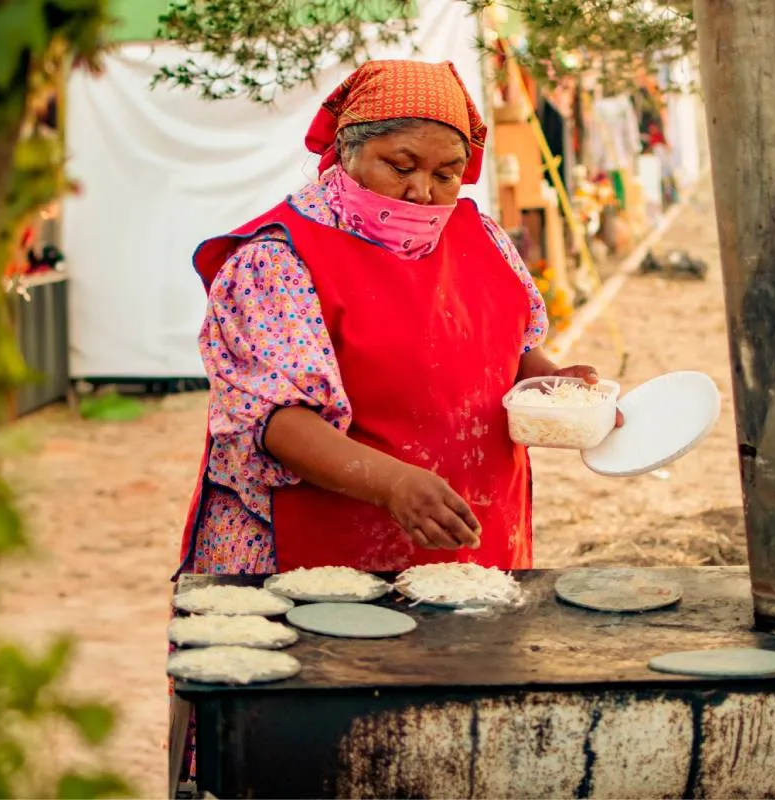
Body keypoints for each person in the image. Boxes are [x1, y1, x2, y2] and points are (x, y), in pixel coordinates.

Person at [168, 59, 625, 787]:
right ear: (347, 150)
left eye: (447, 172)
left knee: (443, 745)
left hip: (464, 536)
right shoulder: (278, 258)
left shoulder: (479, 236)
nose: (425, 191)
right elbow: (276, 420)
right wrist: (391, 485)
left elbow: (511, 350)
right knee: (317, 748)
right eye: (400, 165)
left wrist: (560, 391)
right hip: (310, 544)